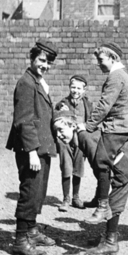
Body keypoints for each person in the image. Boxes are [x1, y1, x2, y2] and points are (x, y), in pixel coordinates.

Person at [53, 110, 128, 255]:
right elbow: (99, 169)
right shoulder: (80, 137)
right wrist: (98, 196)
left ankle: (110, 242)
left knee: (113, 202)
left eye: (61, 130)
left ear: (72, 126)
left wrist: (102, 200)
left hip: (127, 163)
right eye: (56, 131)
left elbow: (102, 169)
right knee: (109, 200)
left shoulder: (84, 138)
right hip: (118, 162)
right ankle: (107, 236)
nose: (58, 135)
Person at [77, 42, 128, 227]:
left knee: (101, 163)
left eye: (101, 59)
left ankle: (103, 206)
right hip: (124, 126)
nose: (98, 63)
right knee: (106, 162)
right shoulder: (122, 75)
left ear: (113, 58)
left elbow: (104, 105)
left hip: (116, 127)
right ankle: (101, 199)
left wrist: (88, 127)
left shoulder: (115, 77)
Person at [6, 40, 58, 255]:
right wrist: (32, 152)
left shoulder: (38, 82)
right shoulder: (26, 83)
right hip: (32, 149)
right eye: (42, 61)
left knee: (38, 191)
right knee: (29, 191)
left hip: (42, 147)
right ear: (32, 58)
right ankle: (20, 240)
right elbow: (24, 121)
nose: (45, 66)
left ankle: (32, 230)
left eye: (49, 63)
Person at [55, 75, 93, 211]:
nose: (75, 90)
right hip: (65, 141)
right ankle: (66, 198)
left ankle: (76, 197)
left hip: (80, 141)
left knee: (78, 167)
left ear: (84, 90)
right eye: (73, 87)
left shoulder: (88, 105)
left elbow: (92, 122)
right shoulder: (63, 103)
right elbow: (57, 118)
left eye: (78, 88)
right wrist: (59, 108)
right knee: (66, 167)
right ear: (69, 87)